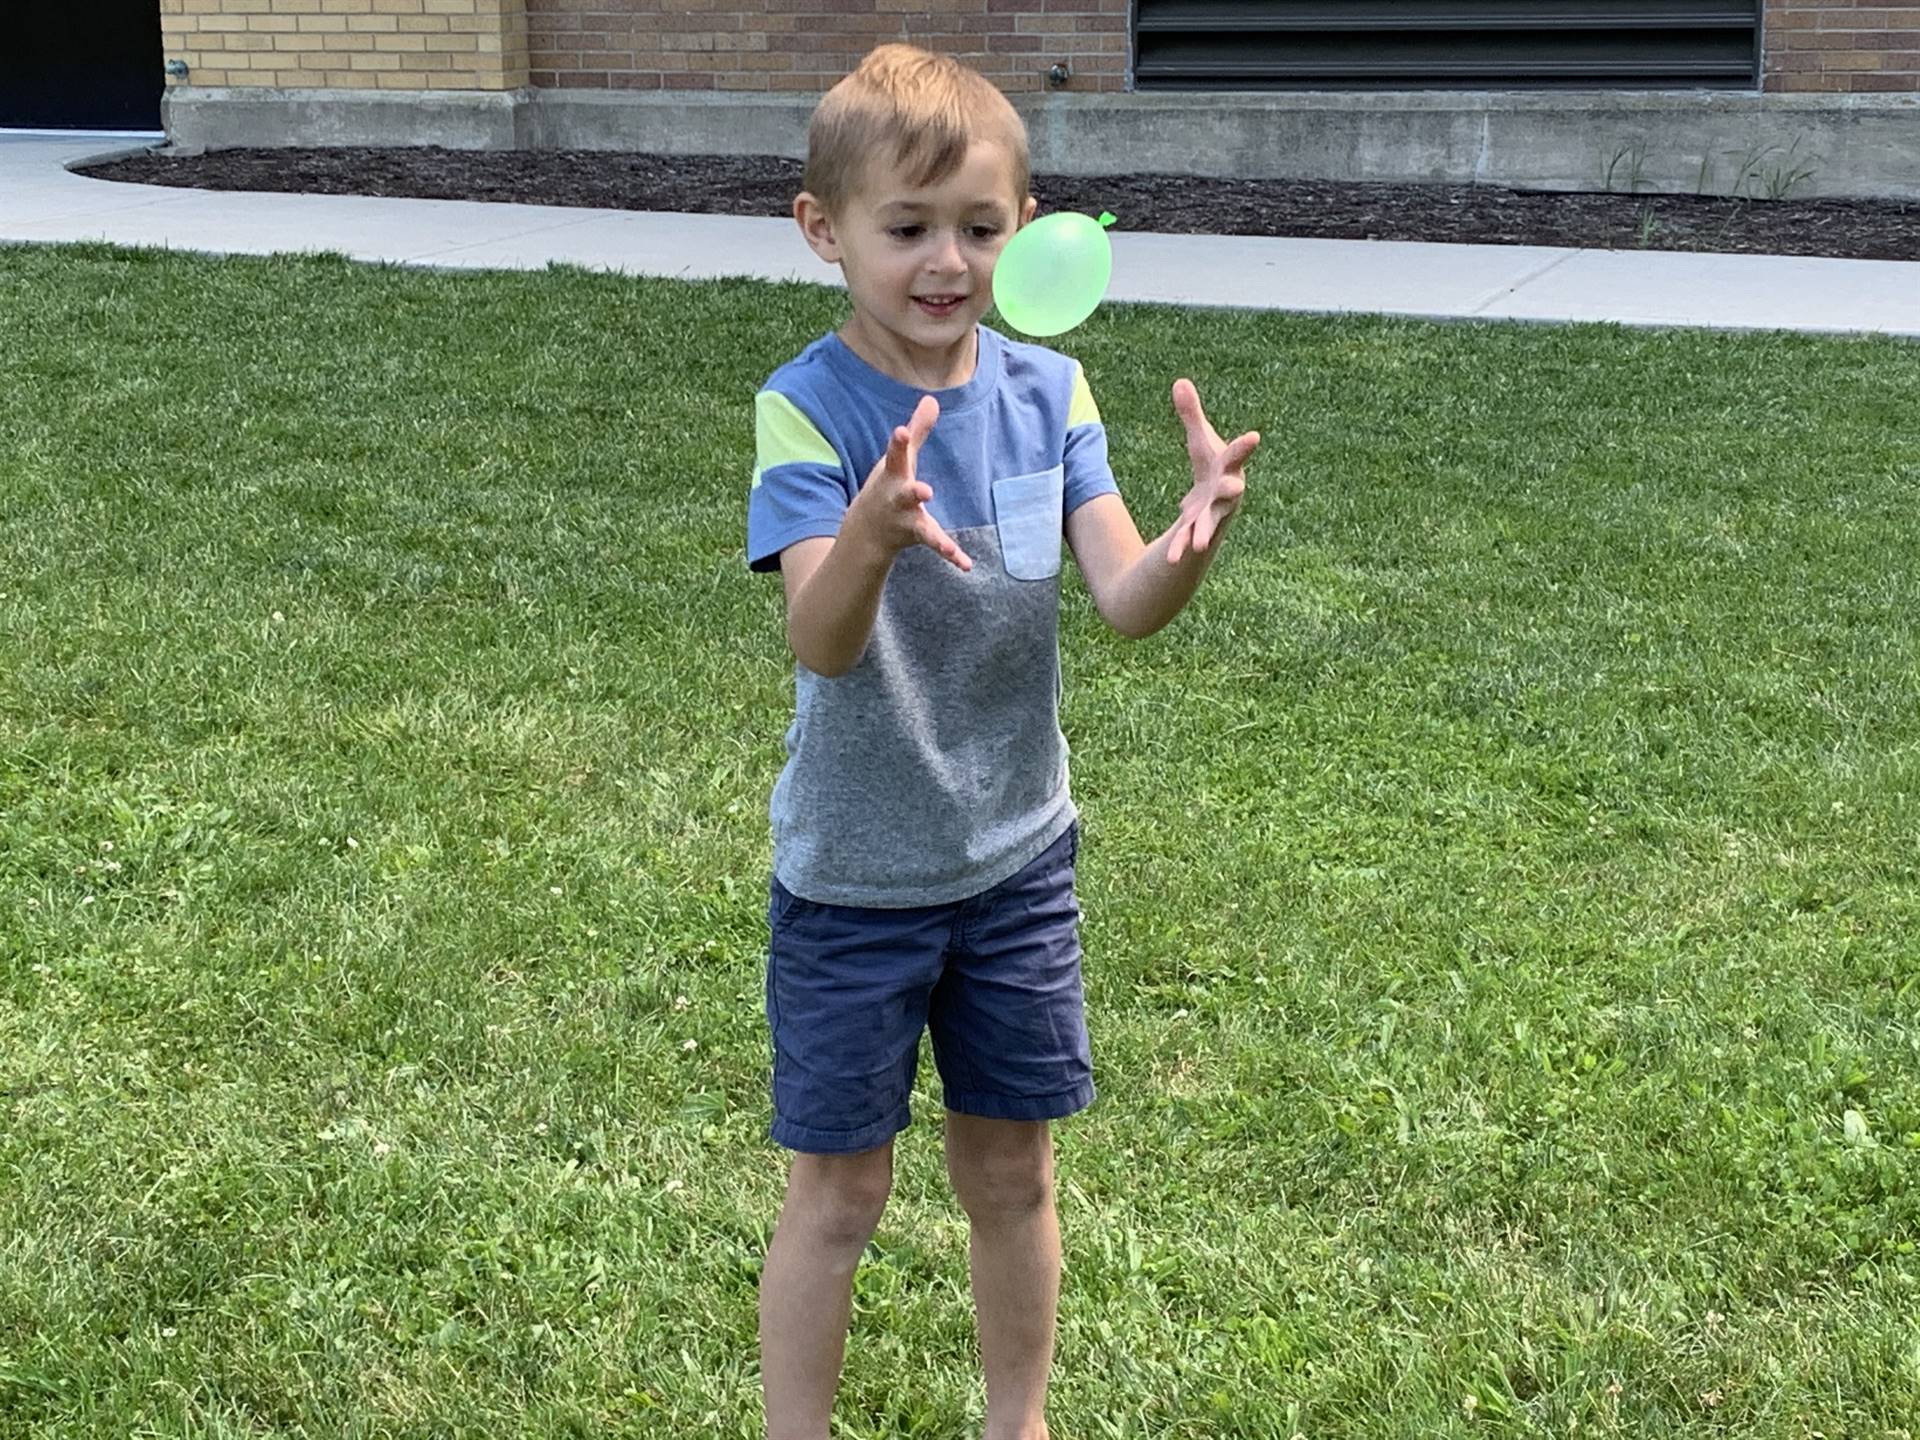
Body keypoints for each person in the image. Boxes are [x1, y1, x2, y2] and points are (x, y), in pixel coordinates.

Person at [745, 42, 1261, 1440]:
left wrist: (1186, 539)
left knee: (1012, 1174)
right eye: (906, 229)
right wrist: (865, 534)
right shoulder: (809, 407)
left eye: (979, 228)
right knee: (841, 1192)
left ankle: (1016, 1423)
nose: (946, 262)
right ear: (824, 229)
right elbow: (823, 639)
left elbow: (1123, 600)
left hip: (1016, 862)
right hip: (854, 877)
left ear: (1024, 231)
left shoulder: (1055, 393)